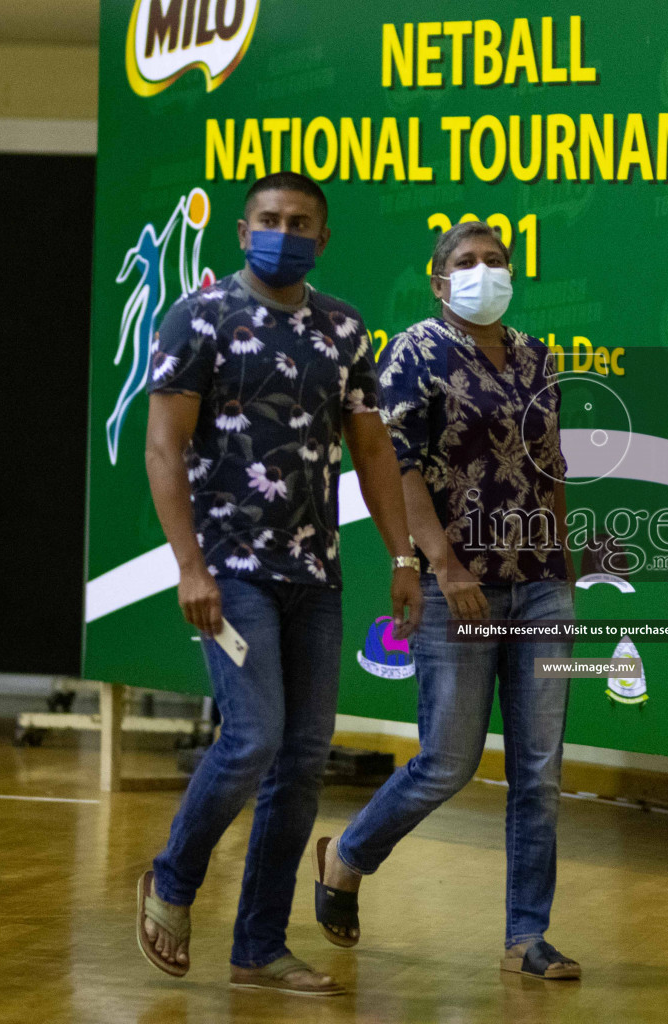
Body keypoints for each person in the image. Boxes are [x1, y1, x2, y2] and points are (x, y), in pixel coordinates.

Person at [135, 172, 423, 996]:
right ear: (241, 229)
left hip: (315, 576)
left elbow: (372, 450)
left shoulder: (343, 328)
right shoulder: (200, 317)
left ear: (323, 239)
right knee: (252, 737)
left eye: (300, 222)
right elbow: (164, 447)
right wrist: (188, 566)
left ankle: (259, 944)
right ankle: (173, 879)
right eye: (268, 219)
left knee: (301, 762)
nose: (283, 231)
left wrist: (403, 558)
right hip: (230, 570)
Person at [312, 221, 582, 981]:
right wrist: (444, 567)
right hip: (456, 584)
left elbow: (550, 466)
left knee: (541, 768)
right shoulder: (414, 352)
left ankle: (525, 936)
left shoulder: (537, 357)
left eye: (494, 261)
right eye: (465, 263)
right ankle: (348, 854)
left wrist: (562, 568)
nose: (483, 272)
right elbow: (399, 469)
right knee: (446, 761)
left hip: (538, 585)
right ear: (438, 282)